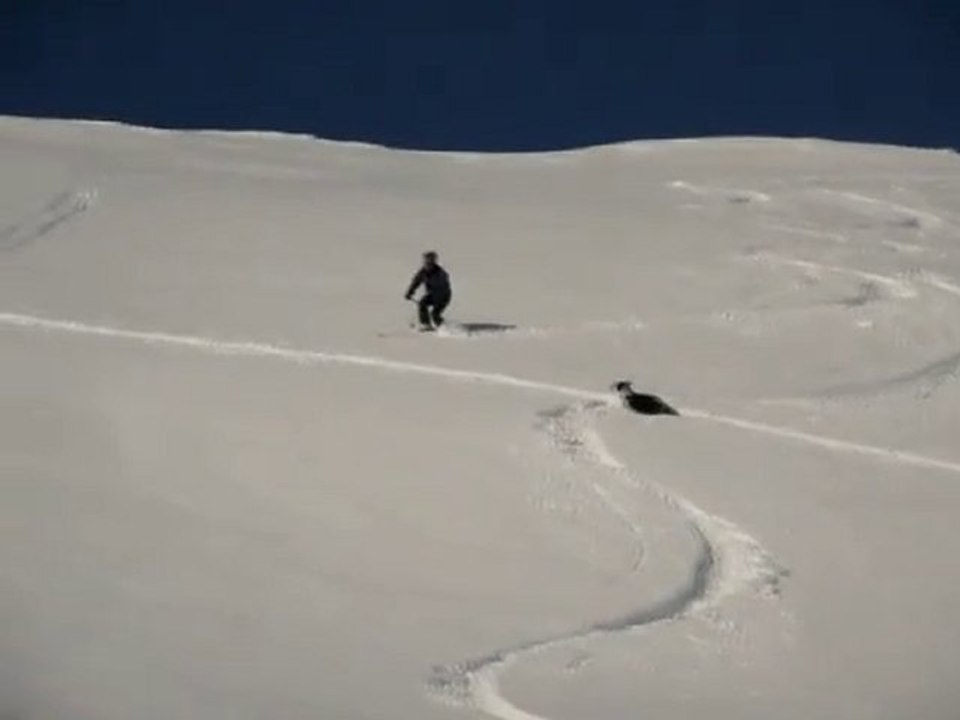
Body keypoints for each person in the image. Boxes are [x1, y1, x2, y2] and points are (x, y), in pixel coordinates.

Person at [405, 251, 452, 331]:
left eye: (429, 262)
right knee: (422, 304)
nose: (427, 265)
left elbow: (443, 287)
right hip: (432, 295)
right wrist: (410, 292)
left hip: (443, 297)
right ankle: (426, 324)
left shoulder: (440, 273)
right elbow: (416, 282)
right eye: (425, 262)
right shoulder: (423, 272)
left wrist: (437, 298)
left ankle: (444, 328)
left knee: (434, 314)